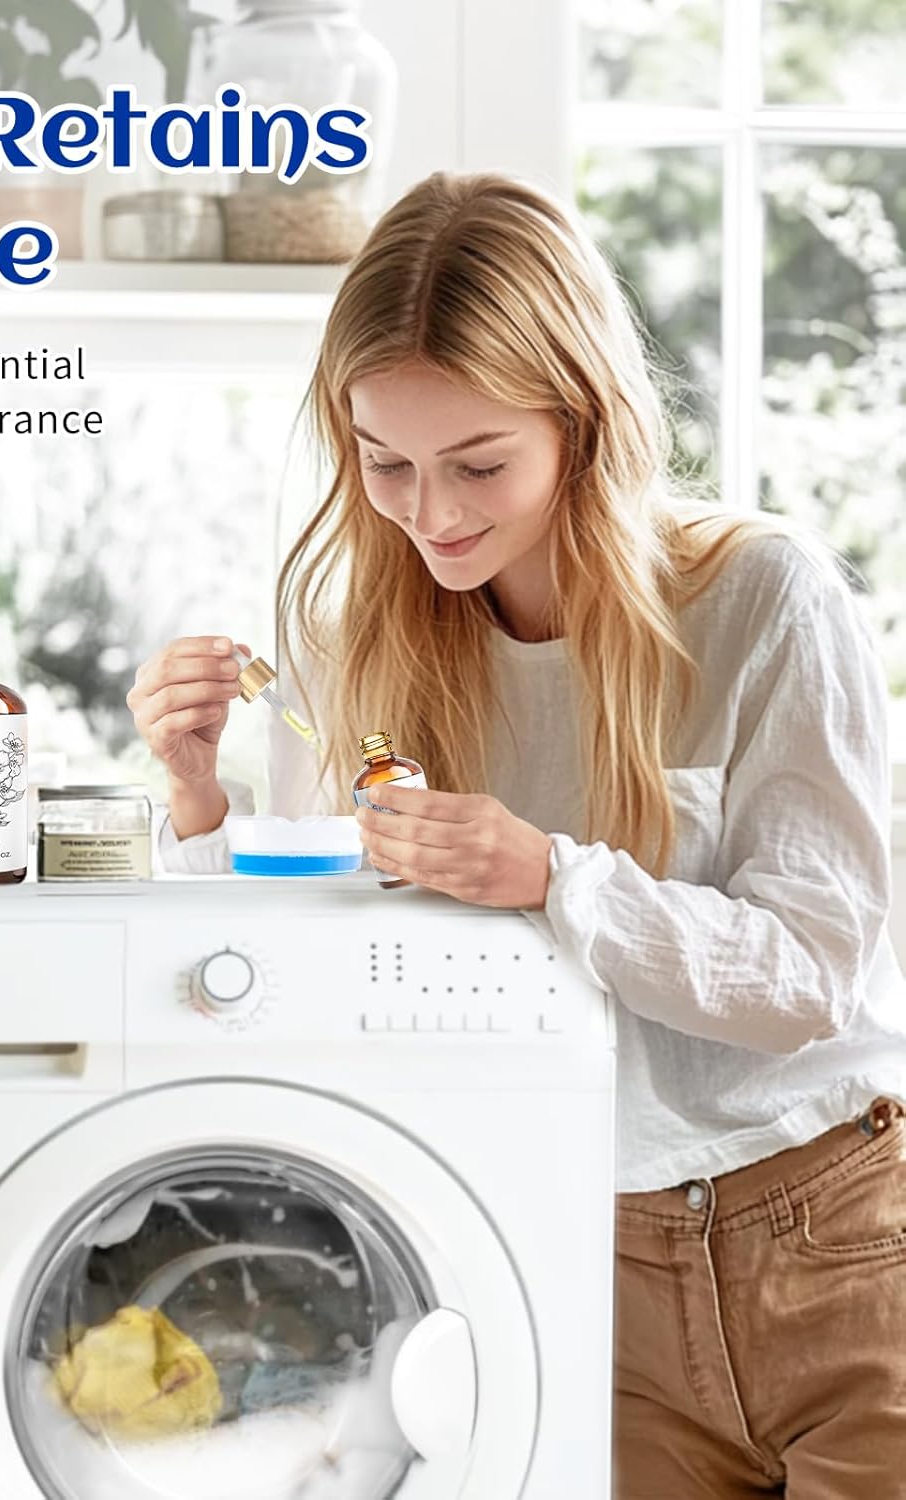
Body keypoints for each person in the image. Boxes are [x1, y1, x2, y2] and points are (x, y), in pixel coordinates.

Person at [128, 171, 906, 1497]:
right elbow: (302, 968)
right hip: (568, 1257)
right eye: (386, 464)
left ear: (585, 424)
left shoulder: (761, 601)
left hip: (834, 1245)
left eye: (479, 464)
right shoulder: (352, 646)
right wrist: (202, 799)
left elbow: (814, 973)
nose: (430, 515)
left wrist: (553, 877)